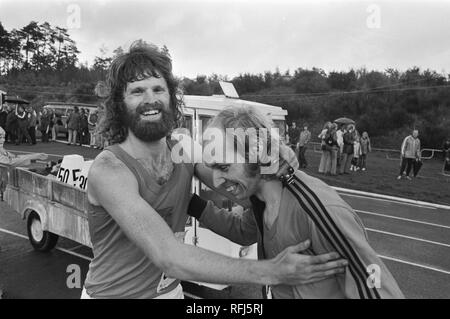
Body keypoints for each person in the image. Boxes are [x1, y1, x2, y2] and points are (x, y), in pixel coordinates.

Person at [82, 42, 346, 299]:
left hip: (169, 292)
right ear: (119, 103)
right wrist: (270, 271)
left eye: (158, 89)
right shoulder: (109, 170)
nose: (150, 100)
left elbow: (242, 182)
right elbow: (168, 256)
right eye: (137, 91)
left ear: (171, 96)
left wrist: (271, 154)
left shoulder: (183, 149)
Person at [188, 105, 404, 299]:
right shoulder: (261, 198)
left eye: (224, 167)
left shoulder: (319, 210)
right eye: (213, 167)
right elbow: (243, 232)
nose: (215, 179)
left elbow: (376, 289)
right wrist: (191, 203)